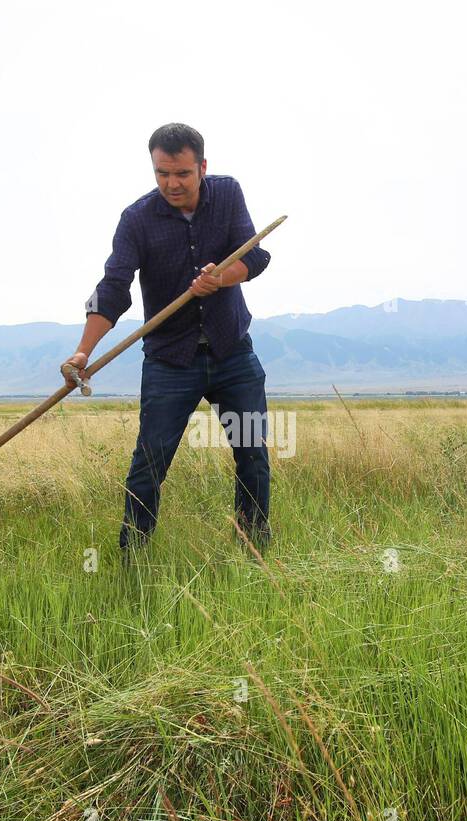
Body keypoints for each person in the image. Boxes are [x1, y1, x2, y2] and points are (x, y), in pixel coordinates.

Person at [63, 123, 274, 556]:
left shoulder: (228, 194)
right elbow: (114, 287)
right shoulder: (137, 219)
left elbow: (255, 255)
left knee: (252, 455)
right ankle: (133, 559)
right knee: (149, 464)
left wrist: (222, 278)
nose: (172, 184)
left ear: (202, 167)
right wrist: (85, 351)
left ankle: (256, 549)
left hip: (232, 352)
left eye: (181, 173)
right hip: (169, 361)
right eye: (162, 173)